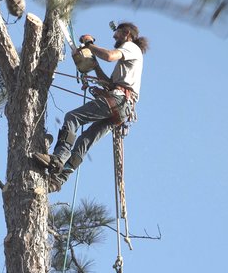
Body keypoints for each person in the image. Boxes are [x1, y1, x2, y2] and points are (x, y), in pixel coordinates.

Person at [34, 22, 148, 191]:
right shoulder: (129, 60)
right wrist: (94, 65)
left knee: (73, 118)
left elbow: (109, 56)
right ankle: (58, 180)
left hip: (119, 101)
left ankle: (58, 158)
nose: (114, 37)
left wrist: (90, 45)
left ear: (126, 33)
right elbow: (109, 83)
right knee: (85, 140)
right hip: (122, 108)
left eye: (116, 34)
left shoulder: (130, 46)